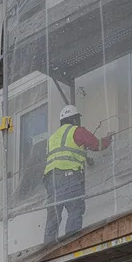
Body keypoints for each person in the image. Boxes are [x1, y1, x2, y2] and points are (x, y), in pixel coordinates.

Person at [43, 104, 103, 242]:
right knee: (75, 208)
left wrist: (84, 156)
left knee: (53, 215)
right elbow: (96, 144)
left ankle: (47, 247)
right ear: (75, 119)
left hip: (50, 180)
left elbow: (63, 153)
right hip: (68, 176)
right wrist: (108, 139)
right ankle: (71, 242)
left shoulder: (52, 138)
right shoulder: (77, 131)